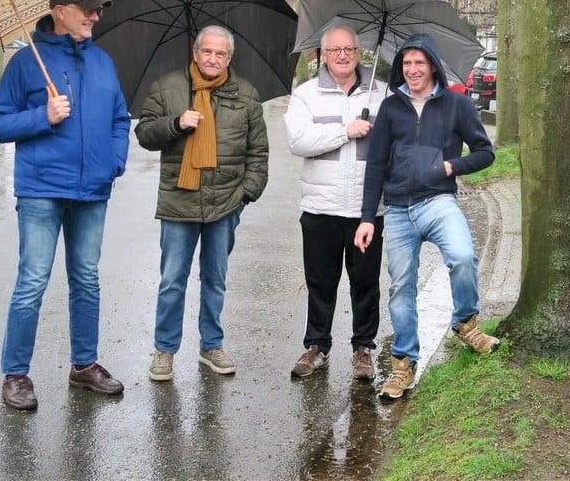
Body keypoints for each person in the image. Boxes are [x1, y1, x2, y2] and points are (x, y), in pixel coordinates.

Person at [0, 0, 130, 410]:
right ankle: (15, 373)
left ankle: (84, 366)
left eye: (97, 10)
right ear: (59, 11)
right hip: (42, 190)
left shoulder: (103, 61)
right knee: (32, 281)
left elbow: (120, 118)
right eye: (87, 10)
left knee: (86, 278)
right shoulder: (25, 63)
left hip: (92, 191)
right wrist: (42, 116)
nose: (94, 17)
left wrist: (114, 162)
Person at [354, 33, 497, 400]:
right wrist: (368, 216)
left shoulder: (456, 105)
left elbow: (485, 153)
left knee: (463, 257)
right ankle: (403, 364)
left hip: (438, 202)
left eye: (419, 62)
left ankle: (466, 323)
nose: (412, 69)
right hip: (398, 209)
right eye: (406, 63)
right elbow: (375, 165)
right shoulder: (391, 107)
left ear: (432, 65)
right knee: (401, 288)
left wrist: (452, 165)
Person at [135, 25, 268, 382]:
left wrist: (245, 194)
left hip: (225, 203)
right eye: (207, 52)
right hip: (180, 202)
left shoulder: (247, 95)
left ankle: (212, 345)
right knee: (172, 281)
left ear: (230, 58)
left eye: (220, 54)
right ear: (195, 53)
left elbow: (258, 153)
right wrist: (176, 123)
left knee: (215, 280)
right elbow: (144, 134)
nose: (213, 59)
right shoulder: (168, 87)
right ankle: (165, 349)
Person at [285, 26, 385, 380]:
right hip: (320, 207)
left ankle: (363, 349)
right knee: (321, 282)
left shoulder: (381, 93)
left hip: (365, 211)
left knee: (366, 282)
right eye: (335, 50)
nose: (343, 55)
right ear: (322, 55)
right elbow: (298, 141)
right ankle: (317, 346)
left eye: (349, 49)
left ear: (359, 53)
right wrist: (347, 129)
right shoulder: (306, 95)